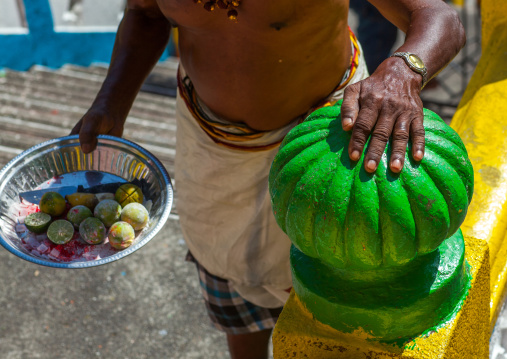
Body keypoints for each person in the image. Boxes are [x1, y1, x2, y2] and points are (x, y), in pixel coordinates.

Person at [70, 1, 465, 358]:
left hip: (327, 148)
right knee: (223, 267)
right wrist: (111, 102)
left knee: (329, 290)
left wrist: (402, 71)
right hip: (211, 149)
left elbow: (438, 17)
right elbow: (146, 12)